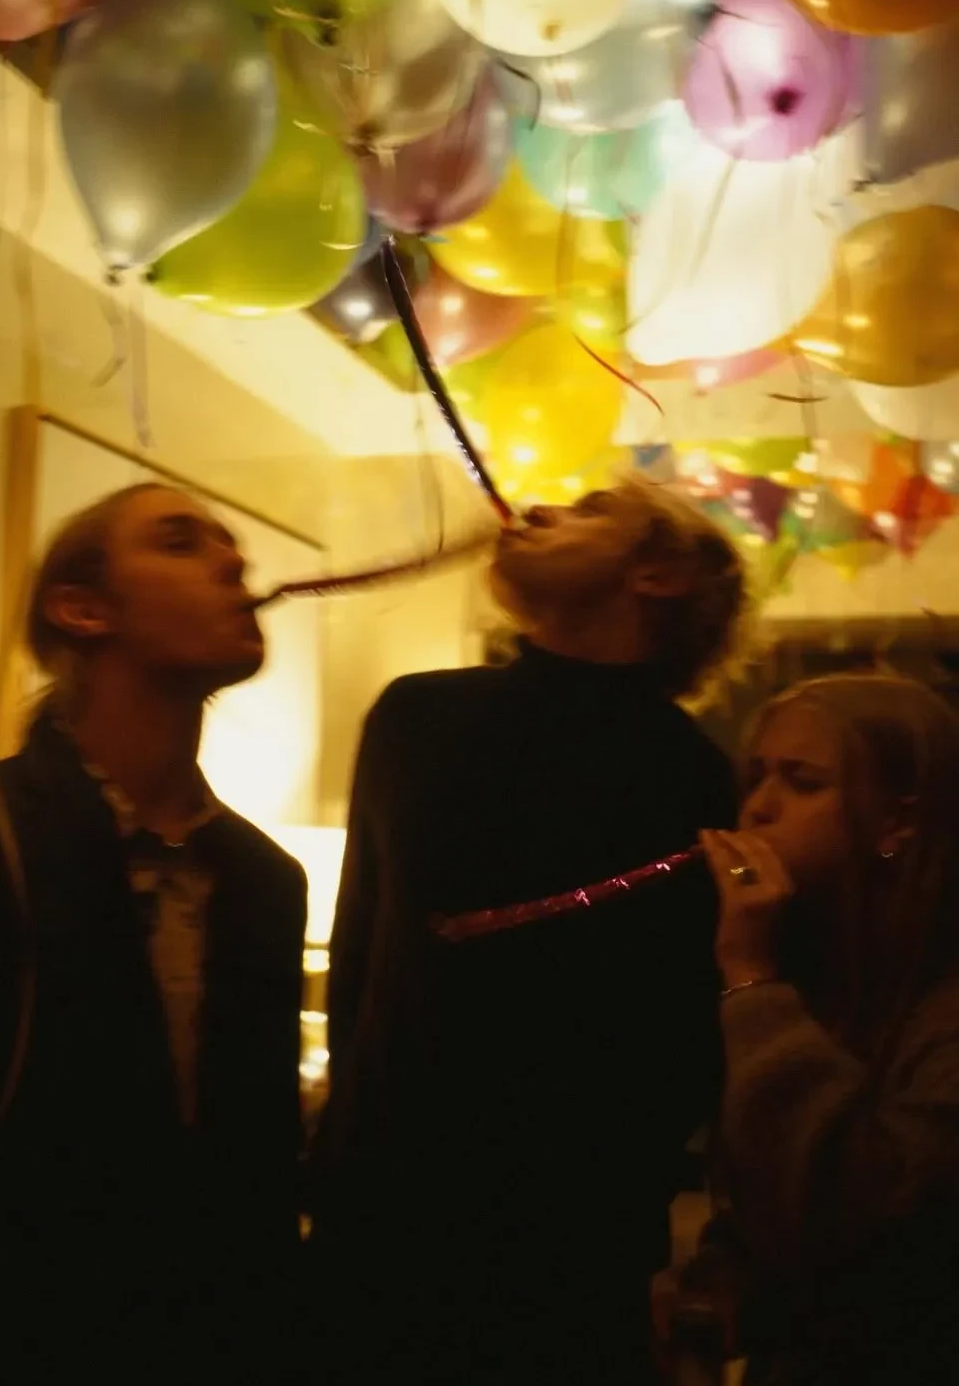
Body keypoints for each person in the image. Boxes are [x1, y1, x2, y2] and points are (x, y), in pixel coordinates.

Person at [313, 478, 749, 1384]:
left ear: (660, 574)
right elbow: (364, 961)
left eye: (590, 508)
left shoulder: (699, 781)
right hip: (379, 1230)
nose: (539, 510)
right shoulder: (413, 716)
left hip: (570, 1261)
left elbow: (678, 1043)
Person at [0, 484, 307, 1384]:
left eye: (228, 544)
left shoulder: (268, 879)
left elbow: (255, 1179)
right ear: (81, 610)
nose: (235, 561)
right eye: (181, 542)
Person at [685, 673, 959, 1386]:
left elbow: (858, 1214)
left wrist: (751, 977)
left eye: (802, 782)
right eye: (758, 776)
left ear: (897, 823)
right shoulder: (822, 971)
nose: (759, 808)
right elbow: (766, 1188)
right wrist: (723, 1280)